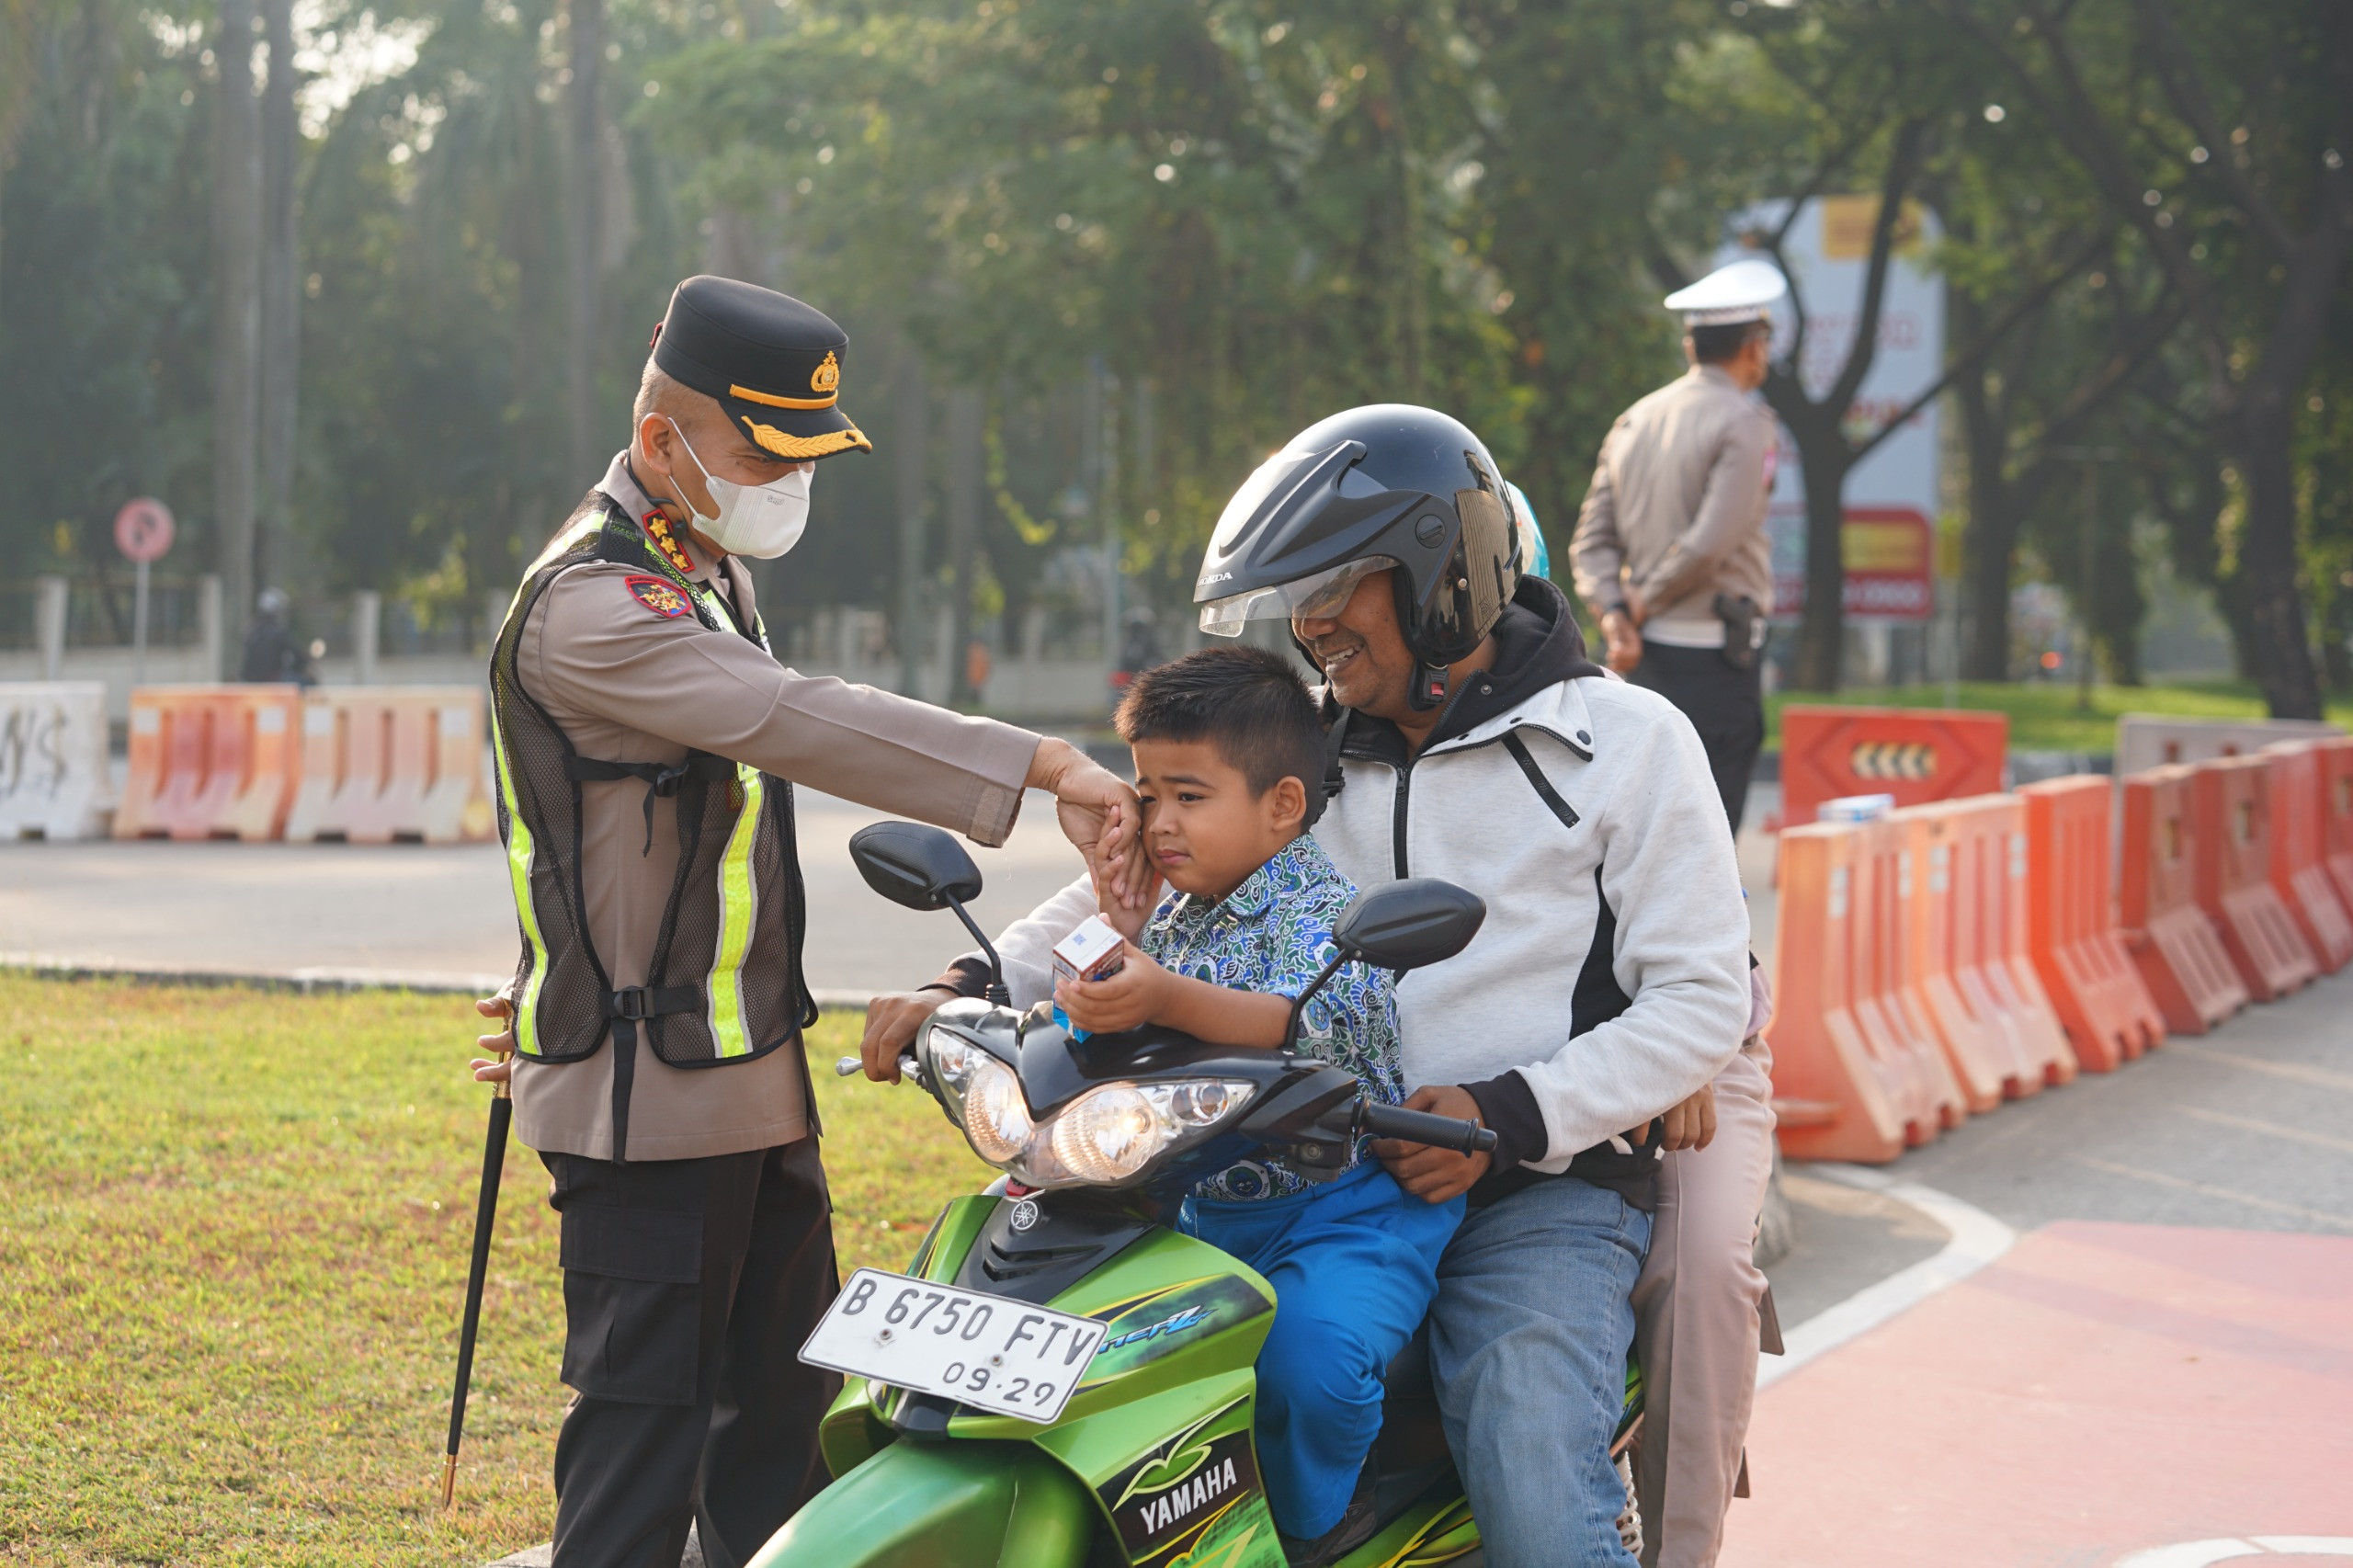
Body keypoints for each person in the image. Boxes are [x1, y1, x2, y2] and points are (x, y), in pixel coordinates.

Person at [866, 405, 1752, 1568]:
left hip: (1536, 1185)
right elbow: (1128, 889)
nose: (1312, 619)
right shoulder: (1297, 762)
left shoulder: (1629, 741)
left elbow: (1698, 998)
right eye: (1300, 591)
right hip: (1270, 1165)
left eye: (1340, 581)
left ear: (1440, 572)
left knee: (1537, 1484)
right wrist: (969, 979)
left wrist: (1507, 1113)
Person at [467, 275, 1141, 1568]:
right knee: (639, 1459)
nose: (789, 480)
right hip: (644, 1108)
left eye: (805, 453)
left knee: (783, 1444)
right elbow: (801, 715)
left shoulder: (695, 564)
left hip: (751, 1092)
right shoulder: (596, 605)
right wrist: (1046, 767)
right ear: (663, 442)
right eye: (763, 452)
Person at [1055, 643, 1461, 1565]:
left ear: (1282, 803)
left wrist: (1159, 993)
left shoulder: (1329, 914)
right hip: (1201, 1206)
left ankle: (1314, 1522)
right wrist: (1097, 971)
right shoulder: (1174, 914)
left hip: (1347, 1210)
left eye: (1188, 796)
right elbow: (1112, 1034)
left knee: (1306, 1360)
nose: (1159, 820)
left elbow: (1292, 1023)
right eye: (1148, 793)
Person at [1570, 257, 1785, 835]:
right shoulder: (1746, 422)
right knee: (1706, 847)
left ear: (1691, 346)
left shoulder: (1636, 420)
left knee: (1643, 838)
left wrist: (1616, 616)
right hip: (1714, 663)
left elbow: (1591, 541)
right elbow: (1711, 543)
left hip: (1641, 663)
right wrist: (1639, 602)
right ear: (1755, 346)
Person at [239, 587, 315, 685]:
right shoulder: (278, 632)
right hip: (274, 680)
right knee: (309, 683)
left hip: (250, 680)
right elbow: (297, 653)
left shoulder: (251, 630)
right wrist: (306, 658)